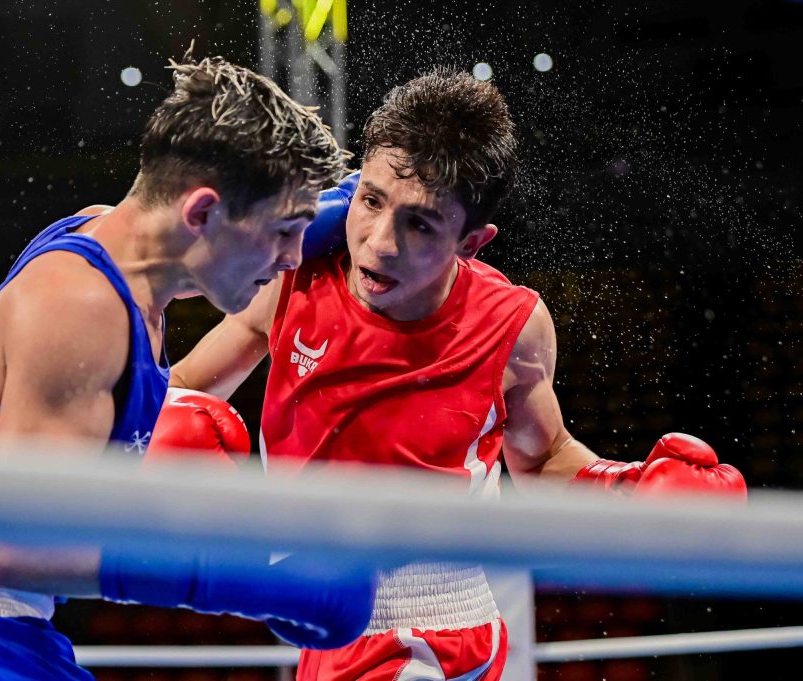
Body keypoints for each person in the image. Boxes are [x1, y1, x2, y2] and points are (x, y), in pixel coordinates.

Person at [147, 67, 747, 680]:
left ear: (472, 241)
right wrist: (175, 436)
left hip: (432, 632)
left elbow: (542, 459)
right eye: (371, 201)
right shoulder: (293, 279)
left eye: (421, 224)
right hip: (320, 624)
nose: (380, 243)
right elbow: (184, 391)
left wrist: (624, 488)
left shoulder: (511, 325)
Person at [0, 54, 375, 681]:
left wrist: (354, 207)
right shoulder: (79, 304)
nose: (294, 255)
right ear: (201, 213)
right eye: (284, 231)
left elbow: (152, 392)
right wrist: (249, 583)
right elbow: (18, 550)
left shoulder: (107, 255)